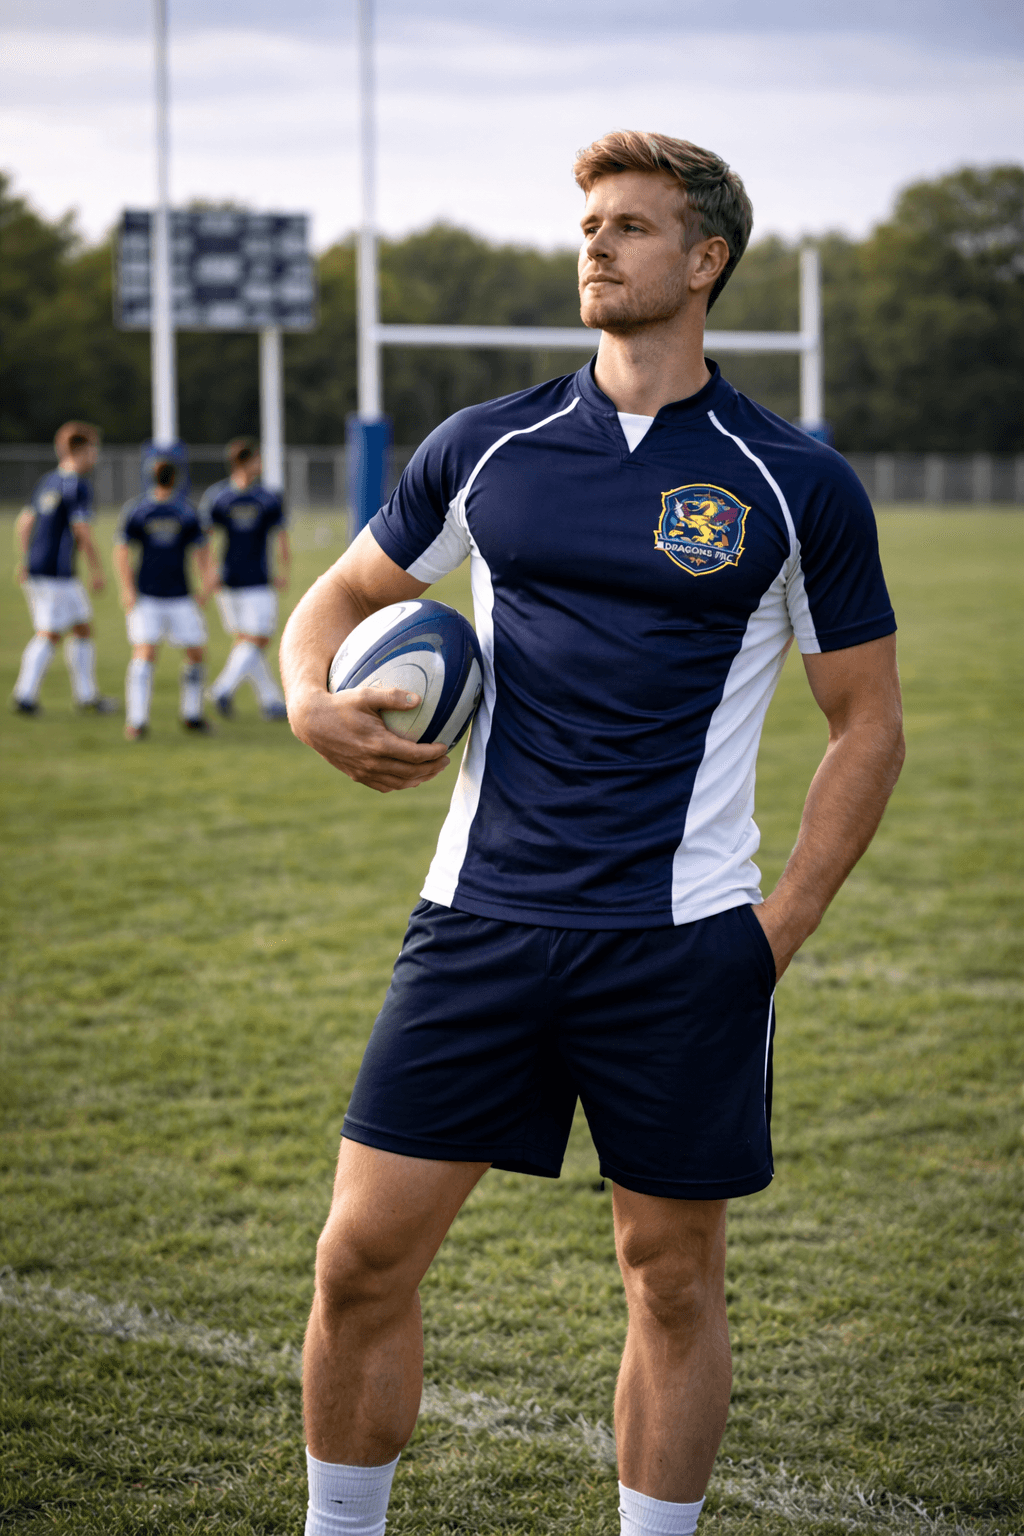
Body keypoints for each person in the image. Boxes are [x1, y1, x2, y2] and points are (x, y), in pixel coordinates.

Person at [279, 131, 906, 1536]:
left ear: (704, 262)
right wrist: (307, 700)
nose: (597, 248)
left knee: (671, 1279)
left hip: (682, 945)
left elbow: (868, 724)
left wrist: (773, 936)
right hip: (478, 923)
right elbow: (334, 596)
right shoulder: (487, 445)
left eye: (630, 227)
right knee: (360, 1262)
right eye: (588, 227)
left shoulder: (794, 482)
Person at [11, 421, 118, 715]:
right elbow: (81, 529)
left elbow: (25, 523)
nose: (95, 456)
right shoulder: (77, 485)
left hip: (39, 568)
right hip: (57, 573)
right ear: (81, 451)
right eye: (93, 449)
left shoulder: (48, 481)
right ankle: (24, 696)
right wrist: (97, 569)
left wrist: (25, 559)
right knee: (50, 633)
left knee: (82, 628)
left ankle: (87, 696)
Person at [113, 457, 215, 741]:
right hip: (149, 595)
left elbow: (200, 548)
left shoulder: (183, 511)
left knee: (192, 652)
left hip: (179, 595)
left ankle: (192, 716)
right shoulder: (141, 510)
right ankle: (137, 720)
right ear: (175, 478)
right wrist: (128, 588)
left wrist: (205, 583)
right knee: (147, 651)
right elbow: (123, 549)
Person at [199, 437, 290, 721]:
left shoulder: (268, 497)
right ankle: (221, 690)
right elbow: (206, 539)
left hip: (259, 577)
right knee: (256, 639)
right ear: (244, 462)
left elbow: (280, 535)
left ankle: (271, 702)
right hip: (232, 581)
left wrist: (283, 568)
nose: (260, 465)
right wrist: (210, 571)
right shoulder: (219, 497)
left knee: (247, 641)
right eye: (256, 460)